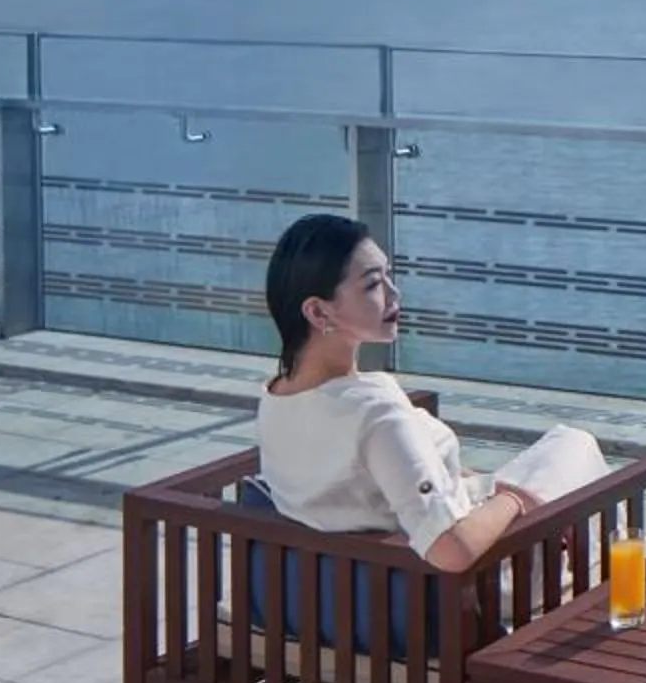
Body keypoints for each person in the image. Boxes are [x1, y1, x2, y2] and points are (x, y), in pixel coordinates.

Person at [256, 213, 605, 572]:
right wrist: (515, 500)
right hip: (473, 585)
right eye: (373, 284)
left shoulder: (277, 396)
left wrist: (493, 489)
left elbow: (386, 478)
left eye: (388, 276)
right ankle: (607, 574)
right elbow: (451, 549)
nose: (394, 293)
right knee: (573, 446)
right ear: (318, 311)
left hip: (356, 583)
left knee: (551, 461)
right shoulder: (374, 410)